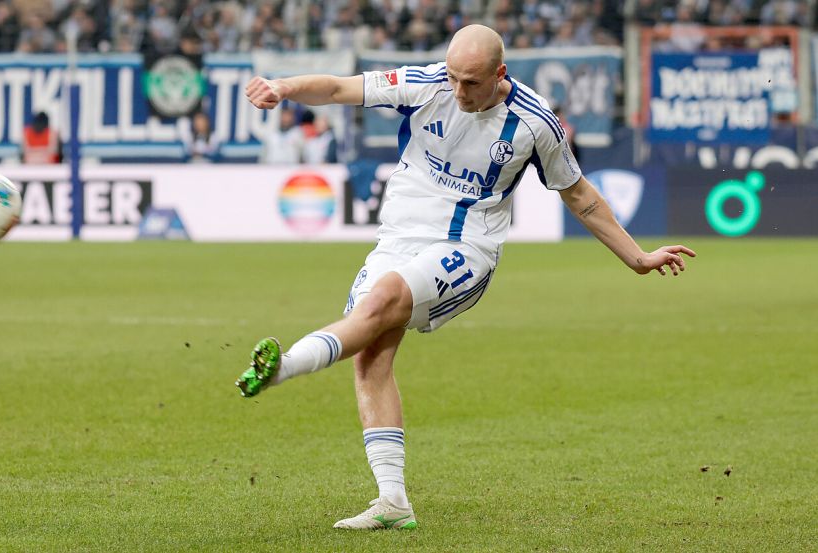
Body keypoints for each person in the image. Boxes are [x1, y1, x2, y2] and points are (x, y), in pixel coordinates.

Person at [236, 24, 696, 531]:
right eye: (453, 78)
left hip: (465, 248)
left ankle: (284, 368)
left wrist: (637, 258)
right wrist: (283, 87)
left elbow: (580, 195)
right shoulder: (426, 83)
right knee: (370, 353)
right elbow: (339, 87)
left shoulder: (534, 121)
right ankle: (393, 503)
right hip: (396, 240)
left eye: (471, 83)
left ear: (500, 74)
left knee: (381, 302)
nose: (458, 92)